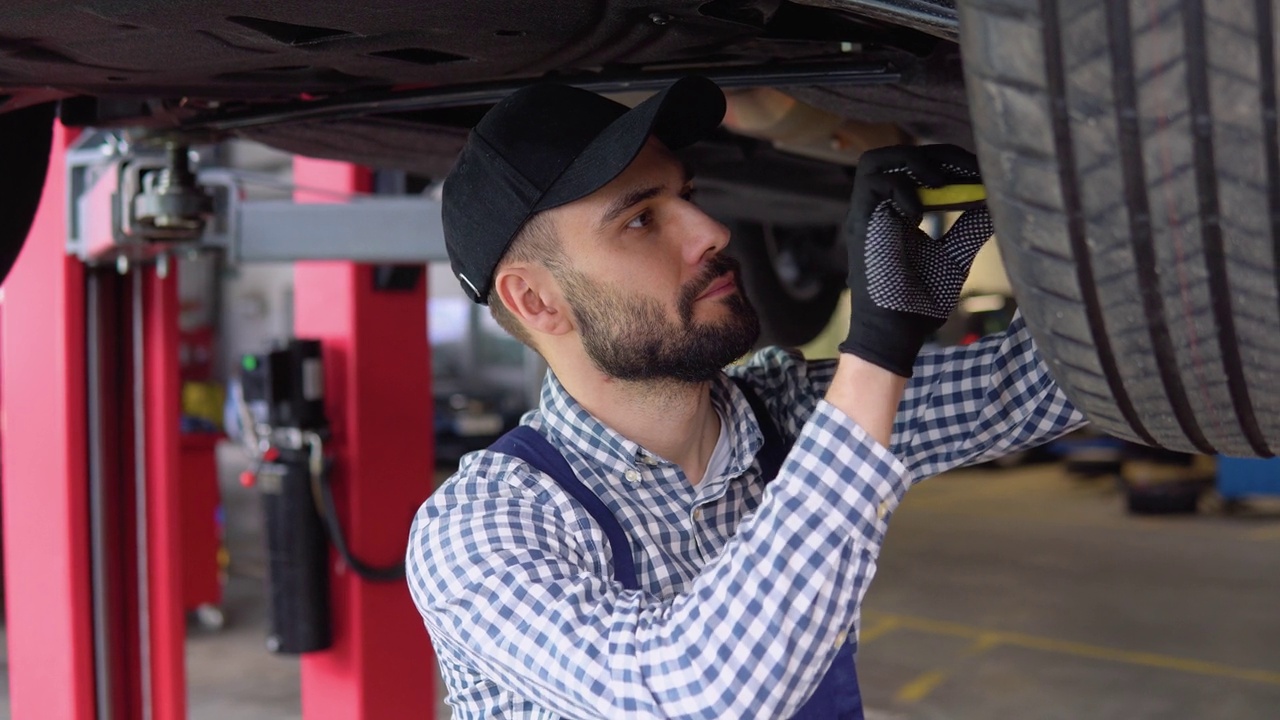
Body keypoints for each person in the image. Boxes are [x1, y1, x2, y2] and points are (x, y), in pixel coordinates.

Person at [406, 76, 1086, 719]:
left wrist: (1073, 204)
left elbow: (1055, 385)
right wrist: (875, 355)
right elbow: (697, 698)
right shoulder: (481, 527)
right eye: (642, 220)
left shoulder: (783, 417)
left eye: (688, 194)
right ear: (538, 301)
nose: (712, 231)